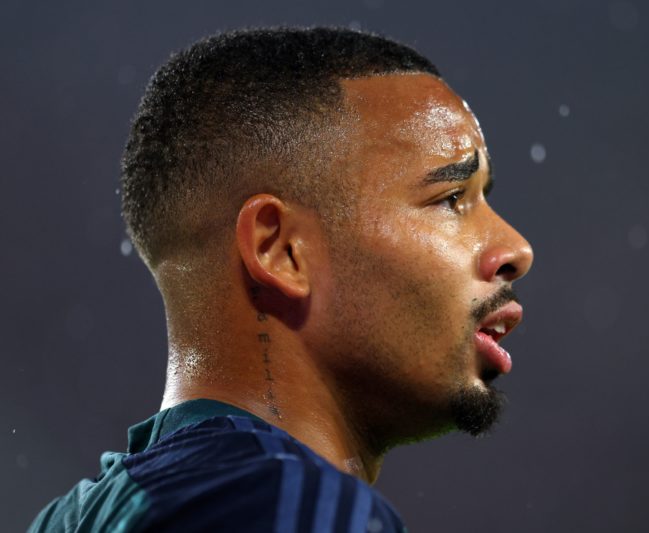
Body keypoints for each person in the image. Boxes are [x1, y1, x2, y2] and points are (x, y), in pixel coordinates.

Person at [28, 26, 533, 532]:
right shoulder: (293, 504)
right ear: (279, 249)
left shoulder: (69, 518)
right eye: (451, 199)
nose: (515, 249)